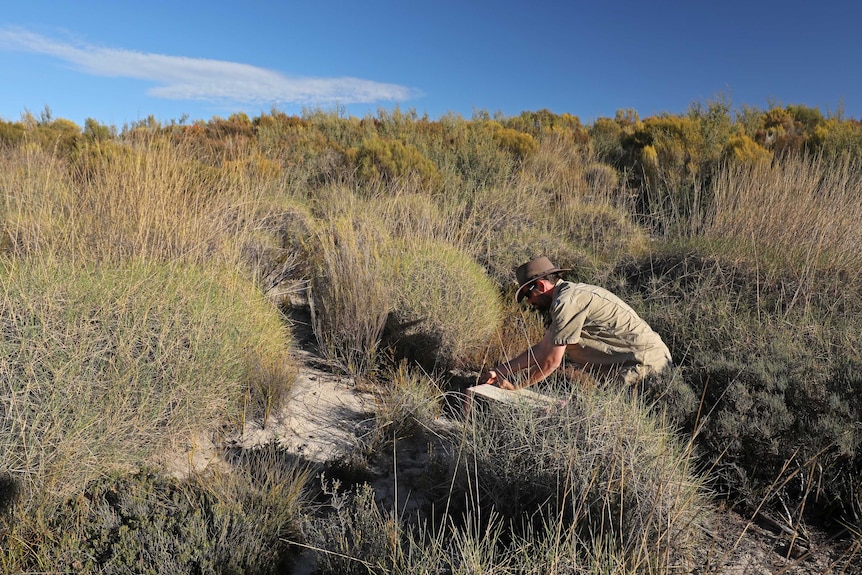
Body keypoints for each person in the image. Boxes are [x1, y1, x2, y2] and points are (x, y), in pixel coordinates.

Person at [479, 256, 672, 390]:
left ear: (540, 285)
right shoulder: (567, 296)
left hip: (644, 365)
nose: (530, 302)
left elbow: (551, 362)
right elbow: (544, 348)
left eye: (529, 295)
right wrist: (499, 371)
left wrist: (516, 389)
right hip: (644, 361)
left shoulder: (566, 303)